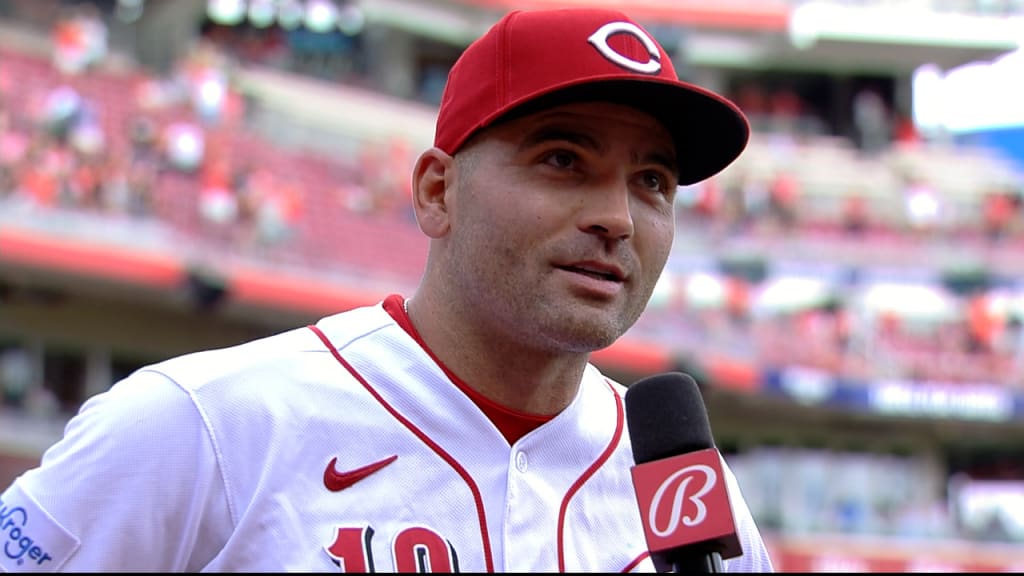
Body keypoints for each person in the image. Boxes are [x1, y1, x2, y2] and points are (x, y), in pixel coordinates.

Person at [0, 8, 774, 573]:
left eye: (652, 181)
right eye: (563, 159)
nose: (617, 218)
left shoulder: (690, 497)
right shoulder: (199, 426)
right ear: (438, 191)